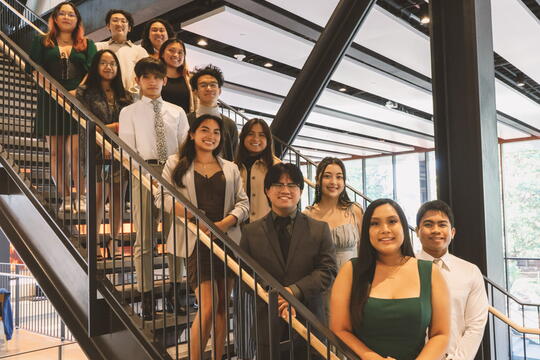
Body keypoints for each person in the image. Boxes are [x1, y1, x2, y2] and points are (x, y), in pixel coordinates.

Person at [156, 114, 249, 360]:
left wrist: (224, 223)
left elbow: (243, 203)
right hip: (195, 242)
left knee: (221, 307)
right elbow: (161, 197)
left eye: (216, 132)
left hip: (227, 241)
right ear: (192, 134)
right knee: (207, 307)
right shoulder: (175, 162)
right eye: (205, 130)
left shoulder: (229, 167)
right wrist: (190, 214)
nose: (211, 136)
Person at [330, 198, 450, 360]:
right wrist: (371, 357)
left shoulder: (430, 272)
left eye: (392, 221)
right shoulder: (351, 271)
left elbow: (441, 334)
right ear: (366, 231)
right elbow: (340, 329)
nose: (384, 229)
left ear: (403, 227)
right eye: (375, 224)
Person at [240, 163, 337, 360]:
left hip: (310, 323)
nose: (285, 190)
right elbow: (245, 274)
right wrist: (276, 295)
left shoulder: (319, 229)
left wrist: (293, 292)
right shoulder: (251, 232)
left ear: (300, 191)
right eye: (278, 184)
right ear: (267, 190)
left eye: (292, 185)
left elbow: (327, 271)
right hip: (268, 324)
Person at [119, 57, 189, 320]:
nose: (152, 81)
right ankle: (147, 298)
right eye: (146, 77)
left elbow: (185, 149)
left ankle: (176, 293)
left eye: (157, 77)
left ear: (164, 80)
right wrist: (143, 175)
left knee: (176, 237)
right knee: (145, 239)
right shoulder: (129, 112)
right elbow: (126, 150)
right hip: (143, 172)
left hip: (174, 174)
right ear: (137, 81)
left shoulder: (177, 111)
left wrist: (179, 175)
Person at [28, 1, 97, 212]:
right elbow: (33, 67)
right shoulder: (41, 41)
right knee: (56, 154)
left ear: (77, 20)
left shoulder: (87, 43)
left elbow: (92, 71)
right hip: (49, 101)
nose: (67, 17)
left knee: (76, 152)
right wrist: (51, 89)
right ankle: (65, 197)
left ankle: (82, 196)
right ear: (55, 18)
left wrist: (78, 91)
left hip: (77, 102)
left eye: (71, 14)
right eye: (63, 14)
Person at [76, 49, 133, 259]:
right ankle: (94, 241)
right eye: (104, 63)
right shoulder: (86, 92)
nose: (108, 67)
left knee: (118, 197)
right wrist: (112, 127)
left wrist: (114, 129)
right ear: (96, 66)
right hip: (96, 150)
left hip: (120, 152)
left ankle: (114, 241)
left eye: (113, 64)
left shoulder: (125, 95)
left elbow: (130, 124)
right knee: (98, 197)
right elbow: (84, 121)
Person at [416, 200, 488, 360]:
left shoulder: (470, 272)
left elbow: (475, 325)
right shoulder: (404, 268)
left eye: (442, 225)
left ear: (453, 232)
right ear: (417, 231)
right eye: (428, 224)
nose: (436, 230)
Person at [304, 157, 363, 269]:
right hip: (322, 283)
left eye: (339, 177)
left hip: (353, 281)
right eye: (327, 176)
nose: (333, 182)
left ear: (344, 181)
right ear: (317, 179)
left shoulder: (355, 211)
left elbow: (364, 251)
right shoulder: (307, 215)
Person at [188, 64, 238, 161]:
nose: (209, 88)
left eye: (213, 85)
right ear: (195, 91)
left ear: (219, 91)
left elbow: (234, 156)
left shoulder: (230, 125)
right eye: (203, 85)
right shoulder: (186, 120)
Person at [235, 118, 279, 223]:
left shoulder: (277, 167)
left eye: (261, 135)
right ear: (243, 137)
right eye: (250, 134)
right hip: (237, 231)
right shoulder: (233, 167)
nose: (256, 139)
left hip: (268, 231)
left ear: (268, 140)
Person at [95, 9, 148, 94]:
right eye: (115, 20)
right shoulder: (97, 47)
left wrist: (132, 94)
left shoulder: (140, 51)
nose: (119, 24)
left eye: (123, 21)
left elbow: (146, 75)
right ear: (108, 26)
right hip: (103, 97)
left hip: (131, 99)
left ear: (129, 28)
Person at [159, 38, 194, 114]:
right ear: (162, 54)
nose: (176, 55)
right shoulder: (155, 77)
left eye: (180, 52)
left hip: (185, 123)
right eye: (171, 50)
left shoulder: (189, 79)